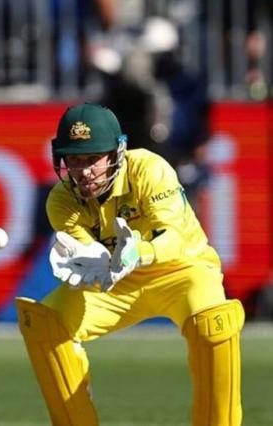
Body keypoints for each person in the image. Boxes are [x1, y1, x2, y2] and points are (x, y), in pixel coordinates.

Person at [15, 103, 244, 426]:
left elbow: (175, 238)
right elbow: (87, 251)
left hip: (182, 272)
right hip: (115, 282)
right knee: (44, 323)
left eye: (93, 159)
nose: (84, 172)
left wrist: (140, 252)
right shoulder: (61, 200)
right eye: (75, 160)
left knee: (213, 323)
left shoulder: (148, 168)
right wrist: (90, 259)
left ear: (116, 152)